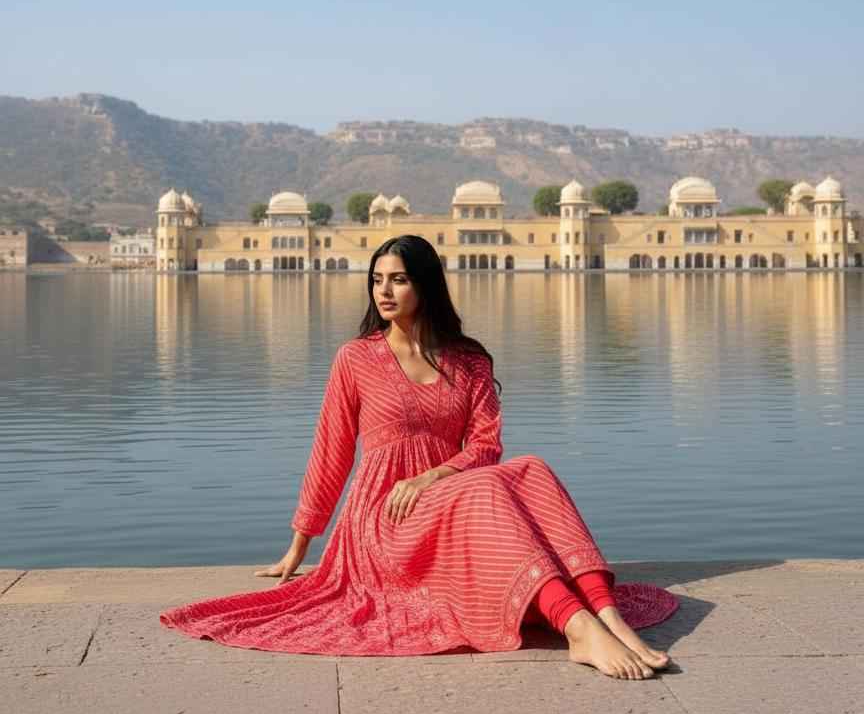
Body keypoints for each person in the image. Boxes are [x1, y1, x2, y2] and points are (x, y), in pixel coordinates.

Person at [160, 235, 678, 678]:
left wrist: (430, 477)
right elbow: (331, 451)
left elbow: (485, 447)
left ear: (425, 285)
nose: (384, 290)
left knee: (532, 467)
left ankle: (609, 618)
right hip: (386, 518)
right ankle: (579, 628)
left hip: (447, 502)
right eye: (377, 279)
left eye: (399, 279)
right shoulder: (356, 358)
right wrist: (300, 546)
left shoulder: (470, 360)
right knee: (485, 485)